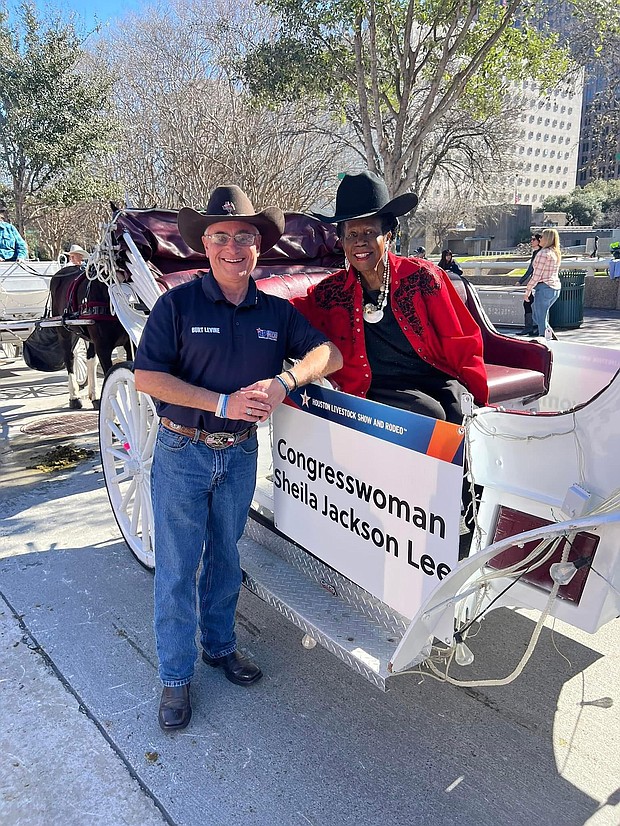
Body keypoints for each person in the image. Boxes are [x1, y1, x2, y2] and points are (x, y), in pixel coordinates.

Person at [134, 185, 342, 732]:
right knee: (178, 568)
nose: (232, 246)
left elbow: (331, 353)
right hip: (183, 450)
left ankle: (219, 648)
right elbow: (147, 377)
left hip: (240, 453)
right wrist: (220, 401)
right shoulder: (176, 305)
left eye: (244, 236)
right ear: (204, 245)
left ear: (258, 246)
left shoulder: (274, 311)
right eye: (220, 236)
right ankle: (175, 678)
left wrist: (285, 379)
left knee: (226, 555)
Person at [293, 171, 488, 424]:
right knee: (430, 417)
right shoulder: (330, 293)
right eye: (351, 235)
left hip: (434, 374)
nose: (360, 242)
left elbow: (462, 341)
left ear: (388, 236)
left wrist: (480, 401)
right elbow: (288, 314)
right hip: (377, 384)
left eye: (369, 232)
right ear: (341, 241)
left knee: (463, 410)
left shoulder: (423, 277)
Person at [524, 227, 562, 338]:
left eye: (542, 236)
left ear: (547, 239)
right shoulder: (555, 253)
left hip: (544, 287)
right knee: (539, 317)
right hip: (554, 288)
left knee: (539, 318)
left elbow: (537, 275)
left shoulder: (543, 253)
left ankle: (546, 341)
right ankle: (551, 338)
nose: (540, 238)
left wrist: (528, 290)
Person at [517, 233, 542, 336]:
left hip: (538, 282)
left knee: (530, 303)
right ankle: (530, 327)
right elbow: (530, 269)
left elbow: (531, 270)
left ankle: (531, 328)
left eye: (533, 239)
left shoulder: (539, 253)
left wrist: (521, 281)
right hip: (535, 282)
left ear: (539, 241)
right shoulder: (536, 252)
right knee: (528, 303)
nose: (531, 241)